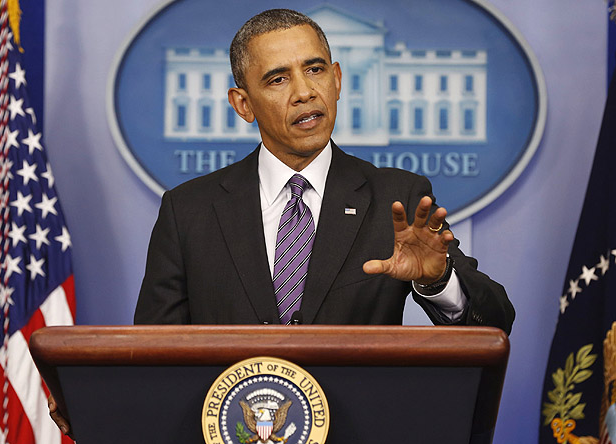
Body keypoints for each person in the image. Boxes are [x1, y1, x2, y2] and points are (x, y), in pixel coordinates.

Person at [50, 8, 514, 435]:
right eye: (277, 79)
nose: (304, 91)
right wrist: (96, 400)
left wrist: (438, 280)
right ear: (243, 104)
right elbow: (153, 355)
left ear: (336, 79)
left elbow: (495, 321)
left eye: (315, 70)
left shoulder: (397, 198)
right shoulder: (188, 210)